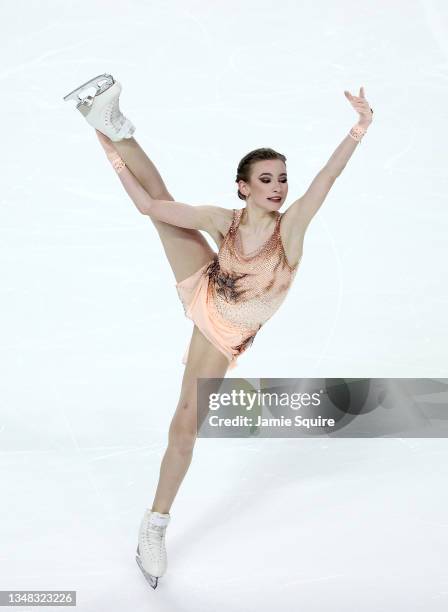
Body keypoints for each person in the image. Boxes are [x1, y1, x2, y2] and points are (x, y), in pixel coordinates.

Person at [63, 73, 373, 588]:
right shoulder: (222, 219)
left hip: (228, 329)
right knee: (185, 423)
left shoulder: (290, 229)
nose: (278, 188)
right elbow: (149, 206)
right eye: (267, 179)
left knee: (188, 423)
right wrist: (106, 148)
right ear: (243, 186)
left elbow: (327, 179)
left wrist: (359, 128)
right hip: (210, 293)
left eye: (281, 179)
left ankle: (152, 522)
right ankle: (112, 124)